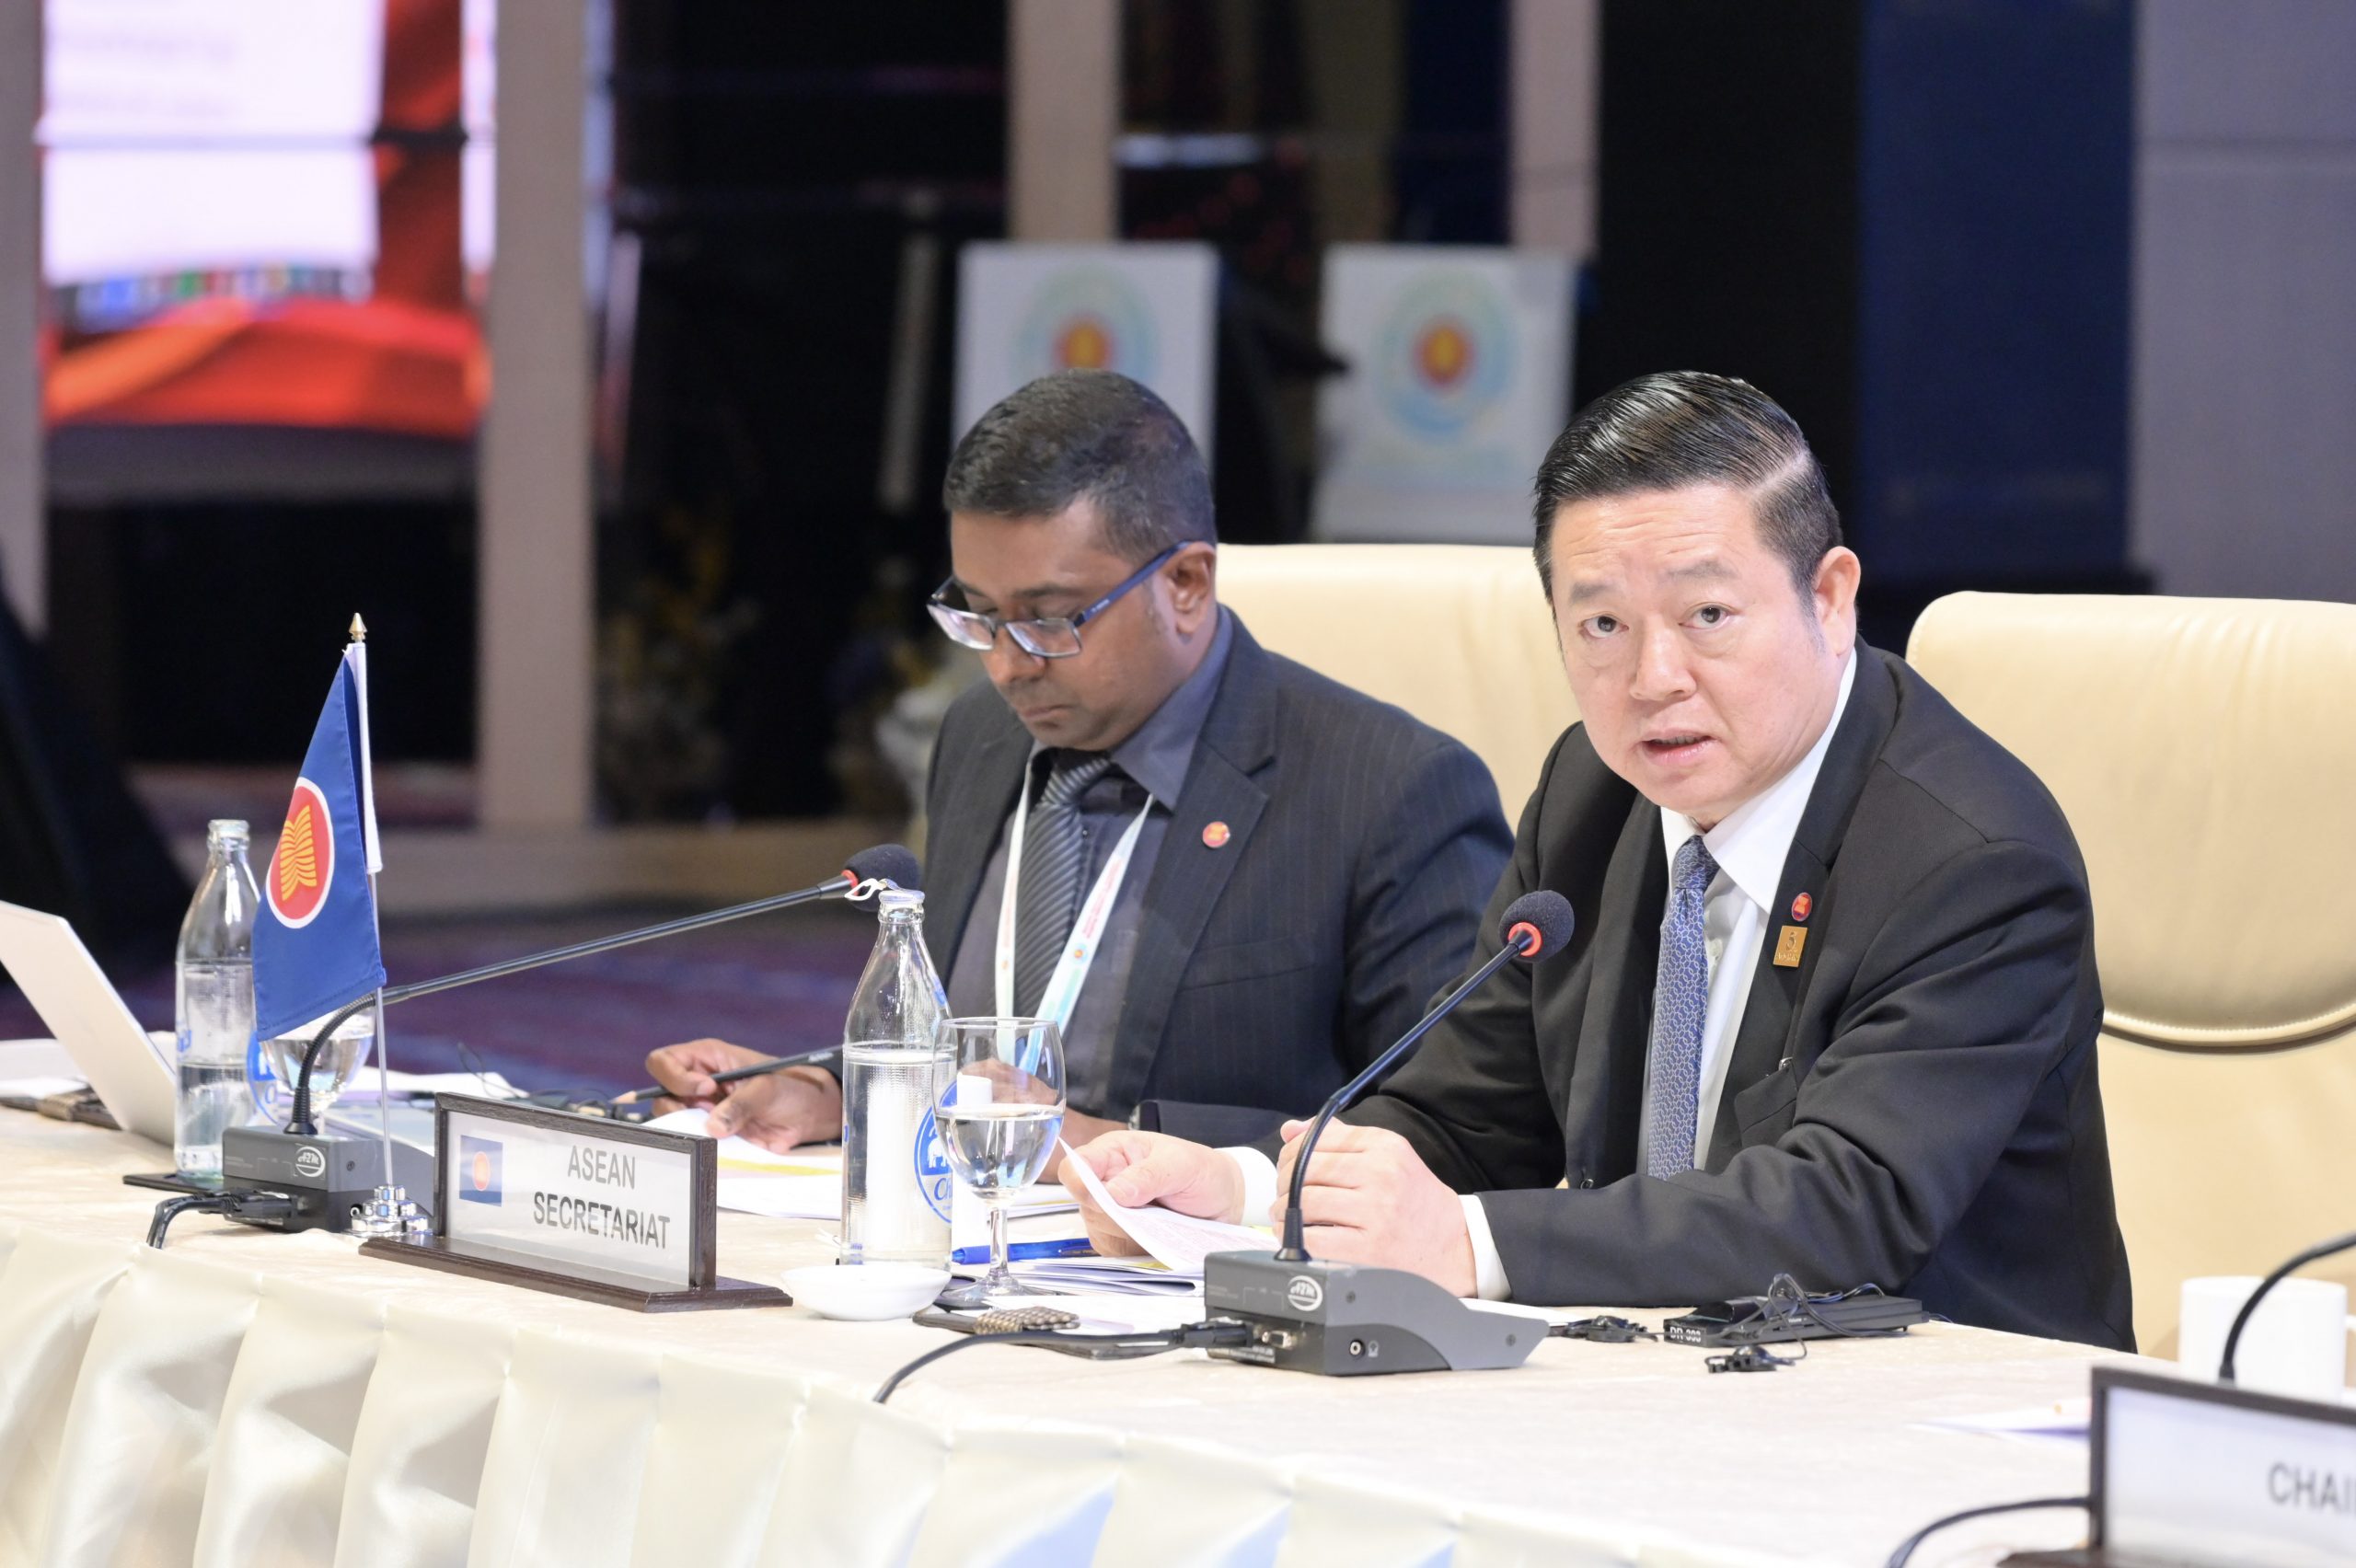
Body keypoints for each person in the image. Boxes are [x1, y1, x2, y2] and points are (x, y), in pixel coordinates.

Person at [1068, 371, 2135, 1350]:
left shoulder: (1971, 862)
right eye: (1602, 626)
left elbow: (1839, 1209)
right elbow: (1466, 1115)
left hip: (1943, 1415)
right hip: (1666, 1382)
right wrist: (1249, 1190)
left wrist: (1466, 1244)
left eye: (1707, 615)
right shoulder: (1596, 789)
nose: (1653, 677)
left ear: (1829, 596)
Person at [645, 369, 1512, 1159]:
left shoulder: (1390, 791)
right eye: (977, 614)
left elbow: (1458, 1128)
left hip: (1186, 1266)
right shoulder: (983, 734)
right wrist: (836, 1093)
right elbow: (971, 1037)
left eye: (1048, 620)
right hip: (958, 1235)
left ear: (1187, 584)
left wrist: (1113, 1146)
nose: (1006, 663)